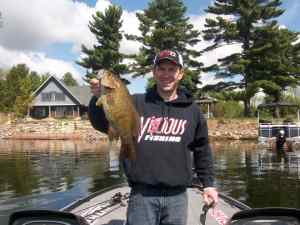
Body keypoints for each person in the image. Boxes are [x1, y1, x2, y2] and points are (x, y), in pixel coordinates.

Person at [88, 49, 219, 225]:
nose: (166, 74)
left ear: (180, 74)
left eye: (172, 69)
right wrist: (97, 99)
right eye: (161, 69)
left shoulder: (193, 111)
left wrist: (208, 184)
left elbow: (202, 149)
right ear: (154, 72)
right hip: (142, 195)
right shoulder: (135, 102)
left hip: (177, 197)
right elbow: (101, 124)